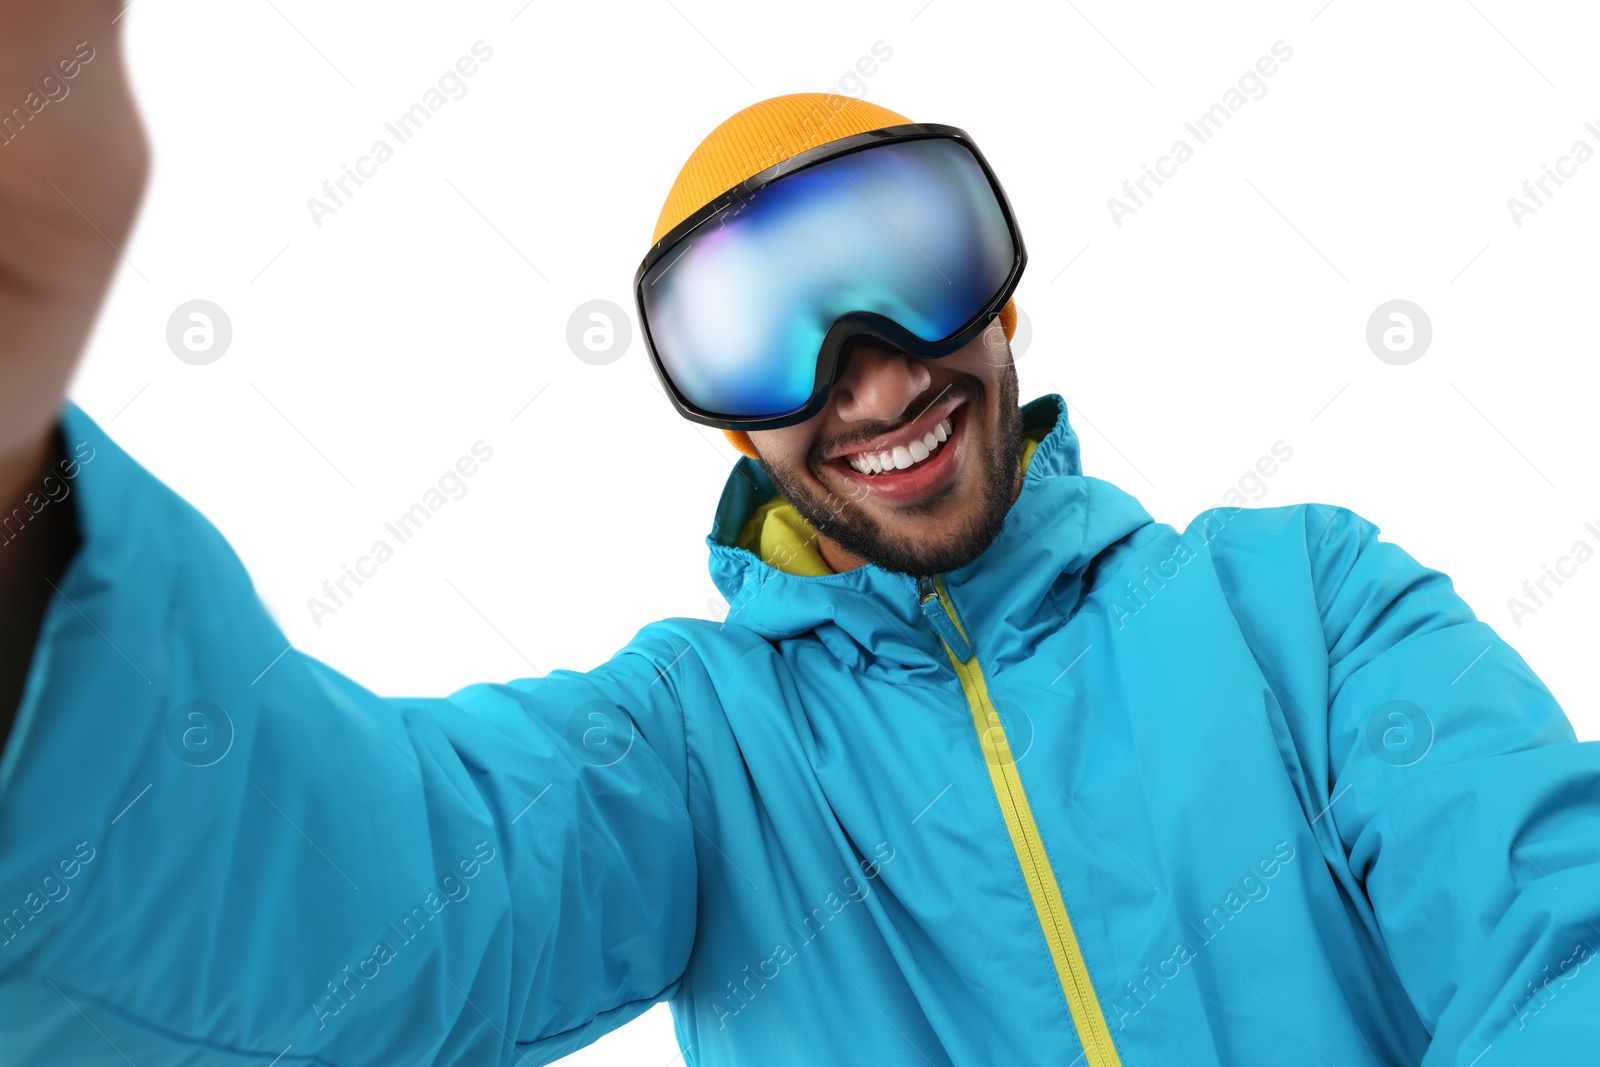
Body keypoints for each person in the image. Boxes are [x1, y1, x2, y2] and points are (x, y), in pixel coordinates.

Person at [2, 7, 1597, 1065]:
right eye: (766, 329)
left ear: (1005, 287)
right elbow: (363, 909)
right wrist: (21, 567)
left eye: (913, 257)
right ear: (723, 416)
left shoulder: (1302, 612)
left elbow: (1557, 938)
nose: (878, 372)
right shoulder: (699, 753)